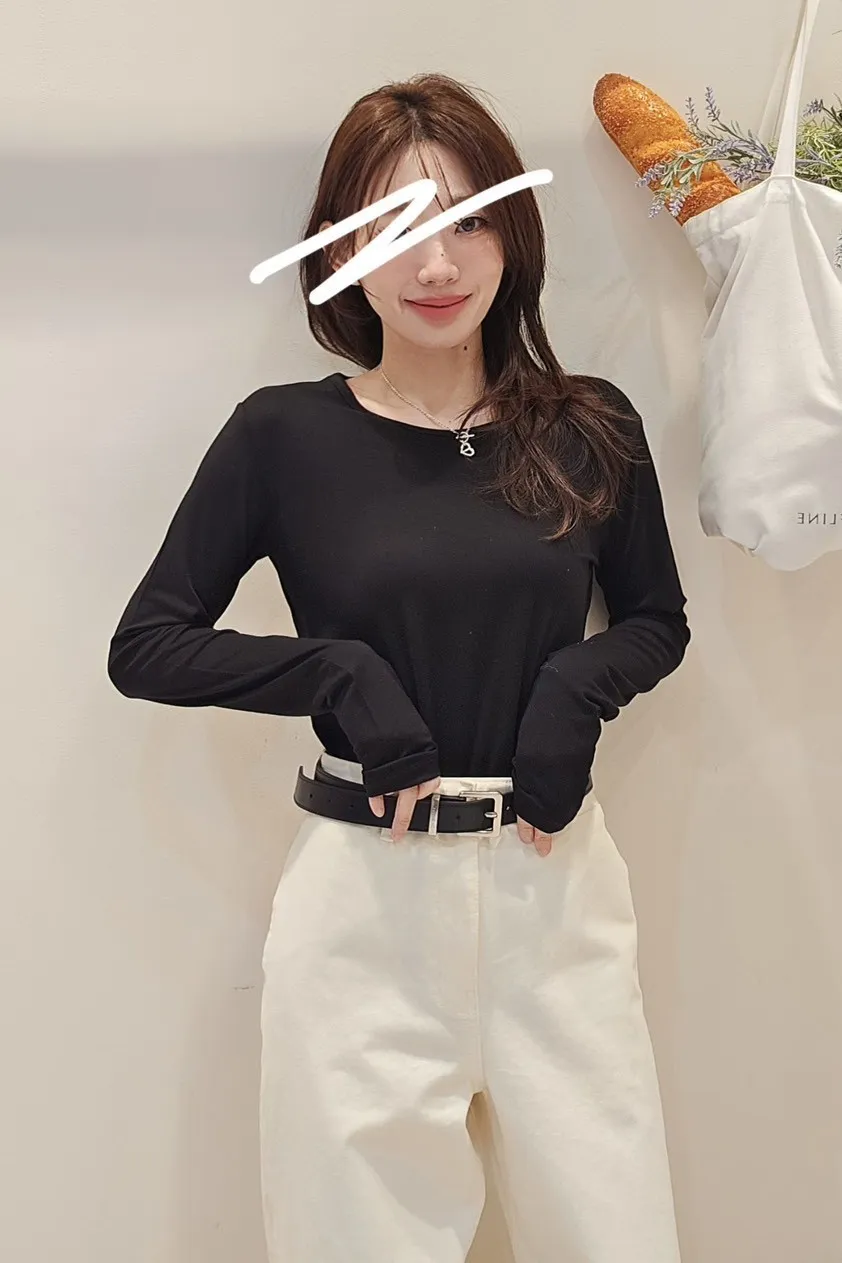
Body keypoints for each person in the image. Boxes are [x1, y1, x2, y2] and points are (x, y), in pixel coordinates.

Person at [108, 71, 689, 1263]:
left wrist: (574, 690)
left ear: (510, 235)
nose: (435, 263)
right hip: (362, 911)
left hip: (553, 897)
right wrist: (335, 675)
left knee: (612, 1234)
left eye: (466, 221)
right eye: (394, 227)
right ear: (341, 251)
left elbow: (654, 618)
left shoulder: (587, 426)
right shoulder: (281, 437)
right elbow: (148, 644)